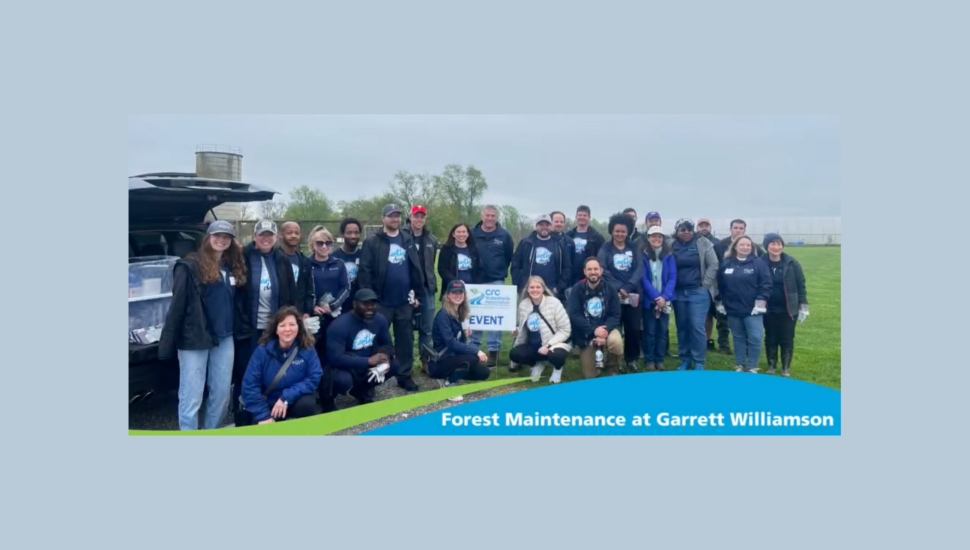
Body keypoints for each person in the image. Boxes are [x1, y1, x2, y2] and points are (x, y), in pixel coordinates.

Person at [159, 220, 247, 430]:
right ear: (207, 238)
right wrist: (167, 343)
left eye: (226, 237)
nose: (221, 240)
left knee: (221, 393)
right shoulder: (189, 265)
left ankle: (211, 433)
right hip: (195, 338)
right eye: (217, 235)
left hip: (224, 338)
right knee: (192, 396)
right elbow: (177, 305)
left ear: (231, 241)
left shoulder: (231, 265)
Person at [232, 220, 302, 407]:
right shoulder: (243, 256)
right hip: (249, 327)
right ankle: (243, 409)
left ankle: (270, 406)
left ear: (275, 237)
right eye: (261, 234)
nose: (265, 238)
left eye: (269, 234)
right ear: (255, 237)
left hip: (274, 328)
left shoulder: (281, 259)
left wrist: (293, 320)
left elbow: (291, 293)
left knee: (273, 368)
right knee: (247, 370)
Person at [357, 204, 424, 392]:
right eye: (391, 216)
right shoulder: (373, 241)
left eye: (397, 216)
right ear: (383, 219)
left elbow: (415, 268)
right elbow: (365, 271)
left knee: (406, 340)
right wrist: (369, 299)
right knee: (375, 340)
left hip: (404, 301)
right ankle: (370, 378)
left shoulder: (407, 239)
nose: (394, 219)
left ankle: (404, 375)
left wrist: (416, 293)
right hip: (381, 302)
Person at [240, 306, 322, 425]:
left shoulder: (307, 347)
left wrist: (286, 397)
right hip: (267, 403)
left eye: (292, 325)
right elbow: (250, 385)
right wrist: (263, 415)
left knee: (307, 404)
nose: (287, 329)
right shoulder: (262, 351)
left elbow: (314, 376)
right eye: (282, 325)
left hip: (292, 399)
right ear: (276, 330)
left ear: (299, 327)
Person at [325, 289, 401, 406]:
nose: (370, 307)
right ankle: (328, 399)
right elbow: (335, 358)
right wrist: (368, 361)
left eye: (373, 304)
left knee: (394, 365)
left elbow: (388, 345)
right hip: (346, 367)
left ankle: (362, 390)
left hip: (367, 364)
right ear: (355, 304)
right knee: (342, 380)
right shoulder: (339, 325)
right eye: (365, 304)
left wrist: (384, 357)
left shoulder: (380, 320)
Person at [305, 225, 350, 410]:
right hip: (314, 319)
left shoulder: (338, 264)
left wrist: (332, 306)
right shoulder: (306, 264)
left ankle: (328, 396)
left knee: (331, 357)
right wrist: (312, 306)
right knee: (314, 356)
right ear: (312, 244)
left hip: (334, 317)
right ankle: (310, 394)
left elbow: (346, 288)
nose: (324, 246)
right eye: (320, 243)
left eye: (327, 243)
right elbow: (303, 290)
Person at [427, 280, 491, 402]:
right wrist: (476, 350)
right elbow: (451, 343)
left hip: (452, 357)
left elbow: (460, 343)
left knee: (484, 372)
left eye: (460, 292)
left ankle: (452, 375)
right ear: (448, 295)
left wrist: (464, 335)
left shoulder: (459, 313)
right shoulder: (443, 315)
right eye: (454, 292)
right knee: (472, 357)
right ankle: (448, 384)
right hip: (440, 361)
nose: (458, 295)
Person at [716, 236, 772, 373]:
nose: (745, 247)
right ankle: (740, 364)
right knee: (738, 337)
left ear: (751, 247)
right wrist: (720, 301)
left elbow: (766, 284)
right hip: (733, 309)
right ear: (735, 246)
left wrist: (760, 302)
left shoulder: (758, 263)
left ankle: (752, 366)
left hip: (753, 309)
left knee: (755, 337)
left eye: (748, 245)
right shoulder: (727, 263)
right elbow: (720, 284)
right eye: (742, 245)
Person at [597, 213, 645, 372]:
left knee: (633, 329)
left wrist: (628, 287)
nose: (620, 234)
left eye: (623, 231)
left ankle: (631, 359)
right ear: (612, 230)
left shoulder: (634, 247)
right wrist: (619, 288)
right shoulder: (605, 248)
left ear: (628, 231)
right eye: (617, 231)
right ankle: (613, 361)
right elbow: (603, 270)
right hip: (612, 295)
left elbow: (639, 269)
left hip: (632, 296)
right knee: (612, 328)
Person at [670, 219, 719, 370]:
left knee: (697, 326)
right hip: (678, 293)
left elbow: (713, 264)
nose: (686, 232)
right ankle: (685, 358)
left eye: (689, 229)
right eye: (683, 230)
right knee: (682, 327)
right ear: (677, 230)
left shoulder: (703, 243)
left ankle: (699, 360)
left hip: (697, 292)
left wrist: (705, 284)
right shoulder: (670, 244)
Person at [470, 205, 515, 368]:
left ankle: (493, 351)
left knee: (494, 318)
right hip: (475, 281)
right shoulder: (472, 233)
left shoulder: (504, 235)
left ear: (496, 217)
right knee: (475, 315)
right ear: (482, 216)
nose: (490, 218)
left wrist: (499, 269)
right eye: (487, 215)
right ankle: (473, 348)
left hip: (496, 281)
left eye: (493, 216)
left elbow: (509, 256)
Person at [760, 233, 809, 377]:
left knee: (787, 337)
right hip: (768, 309)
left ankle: (786, 368)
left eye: (779, 244)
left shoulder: (791, 263)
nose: (776, 247)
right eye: (772, 244)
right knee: (771, 337)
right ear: (767, 246)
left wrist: (803, 307)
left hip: (788, 308)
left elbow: (801, 285)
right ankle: (771, 365)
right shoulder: (760, 263)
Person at [567, 257, 624, 378]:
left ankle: (613, 366)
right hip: (587, 332)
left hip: (607, 329)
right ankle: (597, 362)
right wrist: (594, 330)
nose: (593, 272)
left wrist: (605, 331)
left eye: (596, 269)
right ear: (585, 271)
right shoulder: (577, 289)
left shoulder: (610, 288)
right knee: (590, 376)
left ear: (601, 271)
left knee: (616, 343)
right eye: (590, 269)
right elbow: (574, 314)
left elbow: (615, 315)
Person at [510, 276, 573, 383]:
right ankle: (537, 364)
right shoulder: (523, 305)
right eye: (532, 287)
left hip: (554, 344)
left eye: (538, 287)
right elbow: (523, 327)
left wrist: (548, 345)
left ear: (543, 288)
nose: (535, 290)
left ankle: (557, 369)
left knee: (557, 356)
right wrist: (516, 330)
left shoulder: (554, 303)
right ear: (528, 289)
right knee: (515, 354)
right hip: (534, 345)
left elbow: (565, 330)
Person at [402, 205, 439, 375]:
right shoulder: (401, 237)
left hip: (426, 290)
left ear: (425, 218)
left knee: (427, 328)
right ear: (410, 217)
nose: (419, 220)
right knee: (406, 327)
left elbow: (430, 266)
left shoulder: (431, 239)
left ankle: (425, 360)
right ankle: (406, 363)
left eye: (422, 217)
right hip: (405, 288)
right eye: (416, 216)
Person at [640, 226, 677, 371]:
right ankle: (649, 359)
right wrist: (656, 298)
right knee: (649, 331)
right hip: (649, 300)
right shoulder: (642, 255)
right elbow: (643, 279)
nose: (657, 239)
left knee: (662, 331)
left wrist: (664, 297)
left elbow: (672, 278)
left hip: (665, 300)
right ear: (648, 238)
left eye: (659, 236)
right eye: (653, 236)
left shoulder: (669, 255)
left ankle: (659, 359)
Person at [511, 214, 570, 298]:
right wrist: (519, 286)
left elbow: (567, 267)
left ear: (551, 226)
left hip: (551, 291)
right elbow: (515, 264)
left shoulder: (559, 244)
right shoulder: (526, 243)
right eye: (541, 225)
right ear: (536, 226)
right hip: (530, 290)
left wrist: (558, 287)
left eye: (547, 225)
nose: (544, 227)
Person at [695, 218, 729, 355]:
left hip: (717, 283)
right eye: (701, 226)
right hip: (702, 283)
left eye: (706, 226)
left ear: (710, 227)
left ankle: (723, 343)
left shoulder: (718, 244)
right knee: (706, 314)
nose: (704, 228)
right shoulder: (694, 242)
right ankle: (706, 339)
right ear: (697, 227)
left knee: (721, 314)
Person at [565, 205, 606, 289]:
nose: (582, 217)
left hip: (589, 276)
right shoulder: (568, 235)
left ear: (589, 217)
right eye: (580, 215)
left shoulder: (596, 237)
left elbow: (601, 259)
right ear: (576, 217)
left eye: (584, 215)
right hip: (570, 276)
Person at [278, 221, 315, 315]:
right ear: (281, 235)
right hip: (280, 313)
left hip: (299, 313)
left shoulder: (304, 261)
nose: (293, 236)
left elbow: (309, 290)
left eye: (296, 233)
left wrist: (307, 312)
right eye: (289, 233)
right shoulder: (275, 258)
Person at [437, 223, 483, 297]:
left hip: (471, 289)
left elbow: (479, 268)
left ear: (468, 234)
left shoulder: (473, 249)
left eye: (464, 232)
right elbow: (442, 269)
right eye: (458, 232)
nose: (461, 234)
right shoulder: (446, 249)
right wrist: (454, 281)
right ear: (453, 234)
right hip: (452, 288)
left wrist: (476, 283)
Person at [331, 217, 363, 314]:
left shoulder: (364, 255)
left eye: (356, 233)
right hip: (340, 305)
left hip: (359, 303)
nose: (353, 236)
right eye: (349, 233)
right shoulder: (334, 257)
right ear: (342, 234)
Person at [549, 211, 577, 303]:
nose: (559, 224)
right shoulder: (543, 240)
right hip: (544, 288)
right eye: (556, 221)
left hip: (562, 289)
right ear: (550, 222)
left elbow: (570, 265)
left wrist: (560, 287)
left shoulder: (569, 242)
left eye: (561, 222)